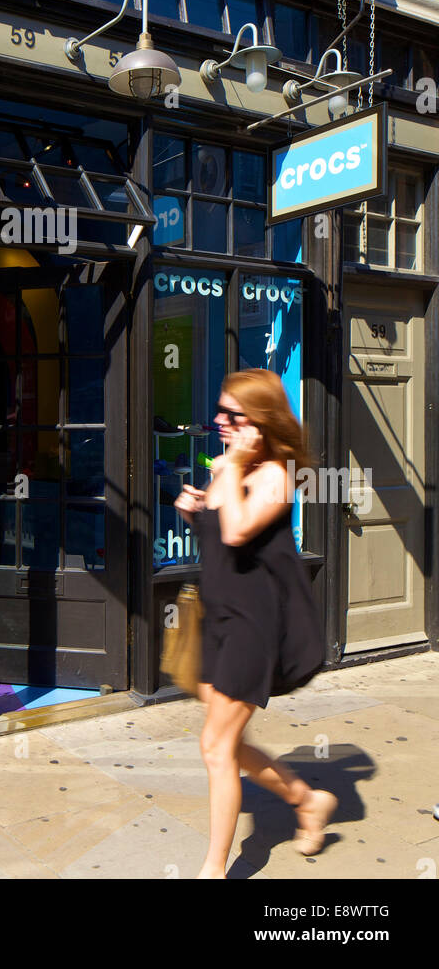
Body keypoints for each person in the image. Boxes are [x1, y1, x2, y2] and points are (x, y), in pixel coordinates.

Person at [174, 369, 336, 880]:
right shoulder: (229, 465)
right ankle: (307, 800)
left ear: (260, 423)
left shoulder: (276, 476)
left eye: (232, 415)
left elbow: (240, 529)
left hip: (253, 625)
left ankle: (213, 870)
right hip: (217, 619)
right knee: (228, 741)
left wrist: (234, 467)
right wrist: (194, 509)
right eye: (220, 411)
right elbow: (220, 533)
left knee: (216, 747)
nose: (219, 421)